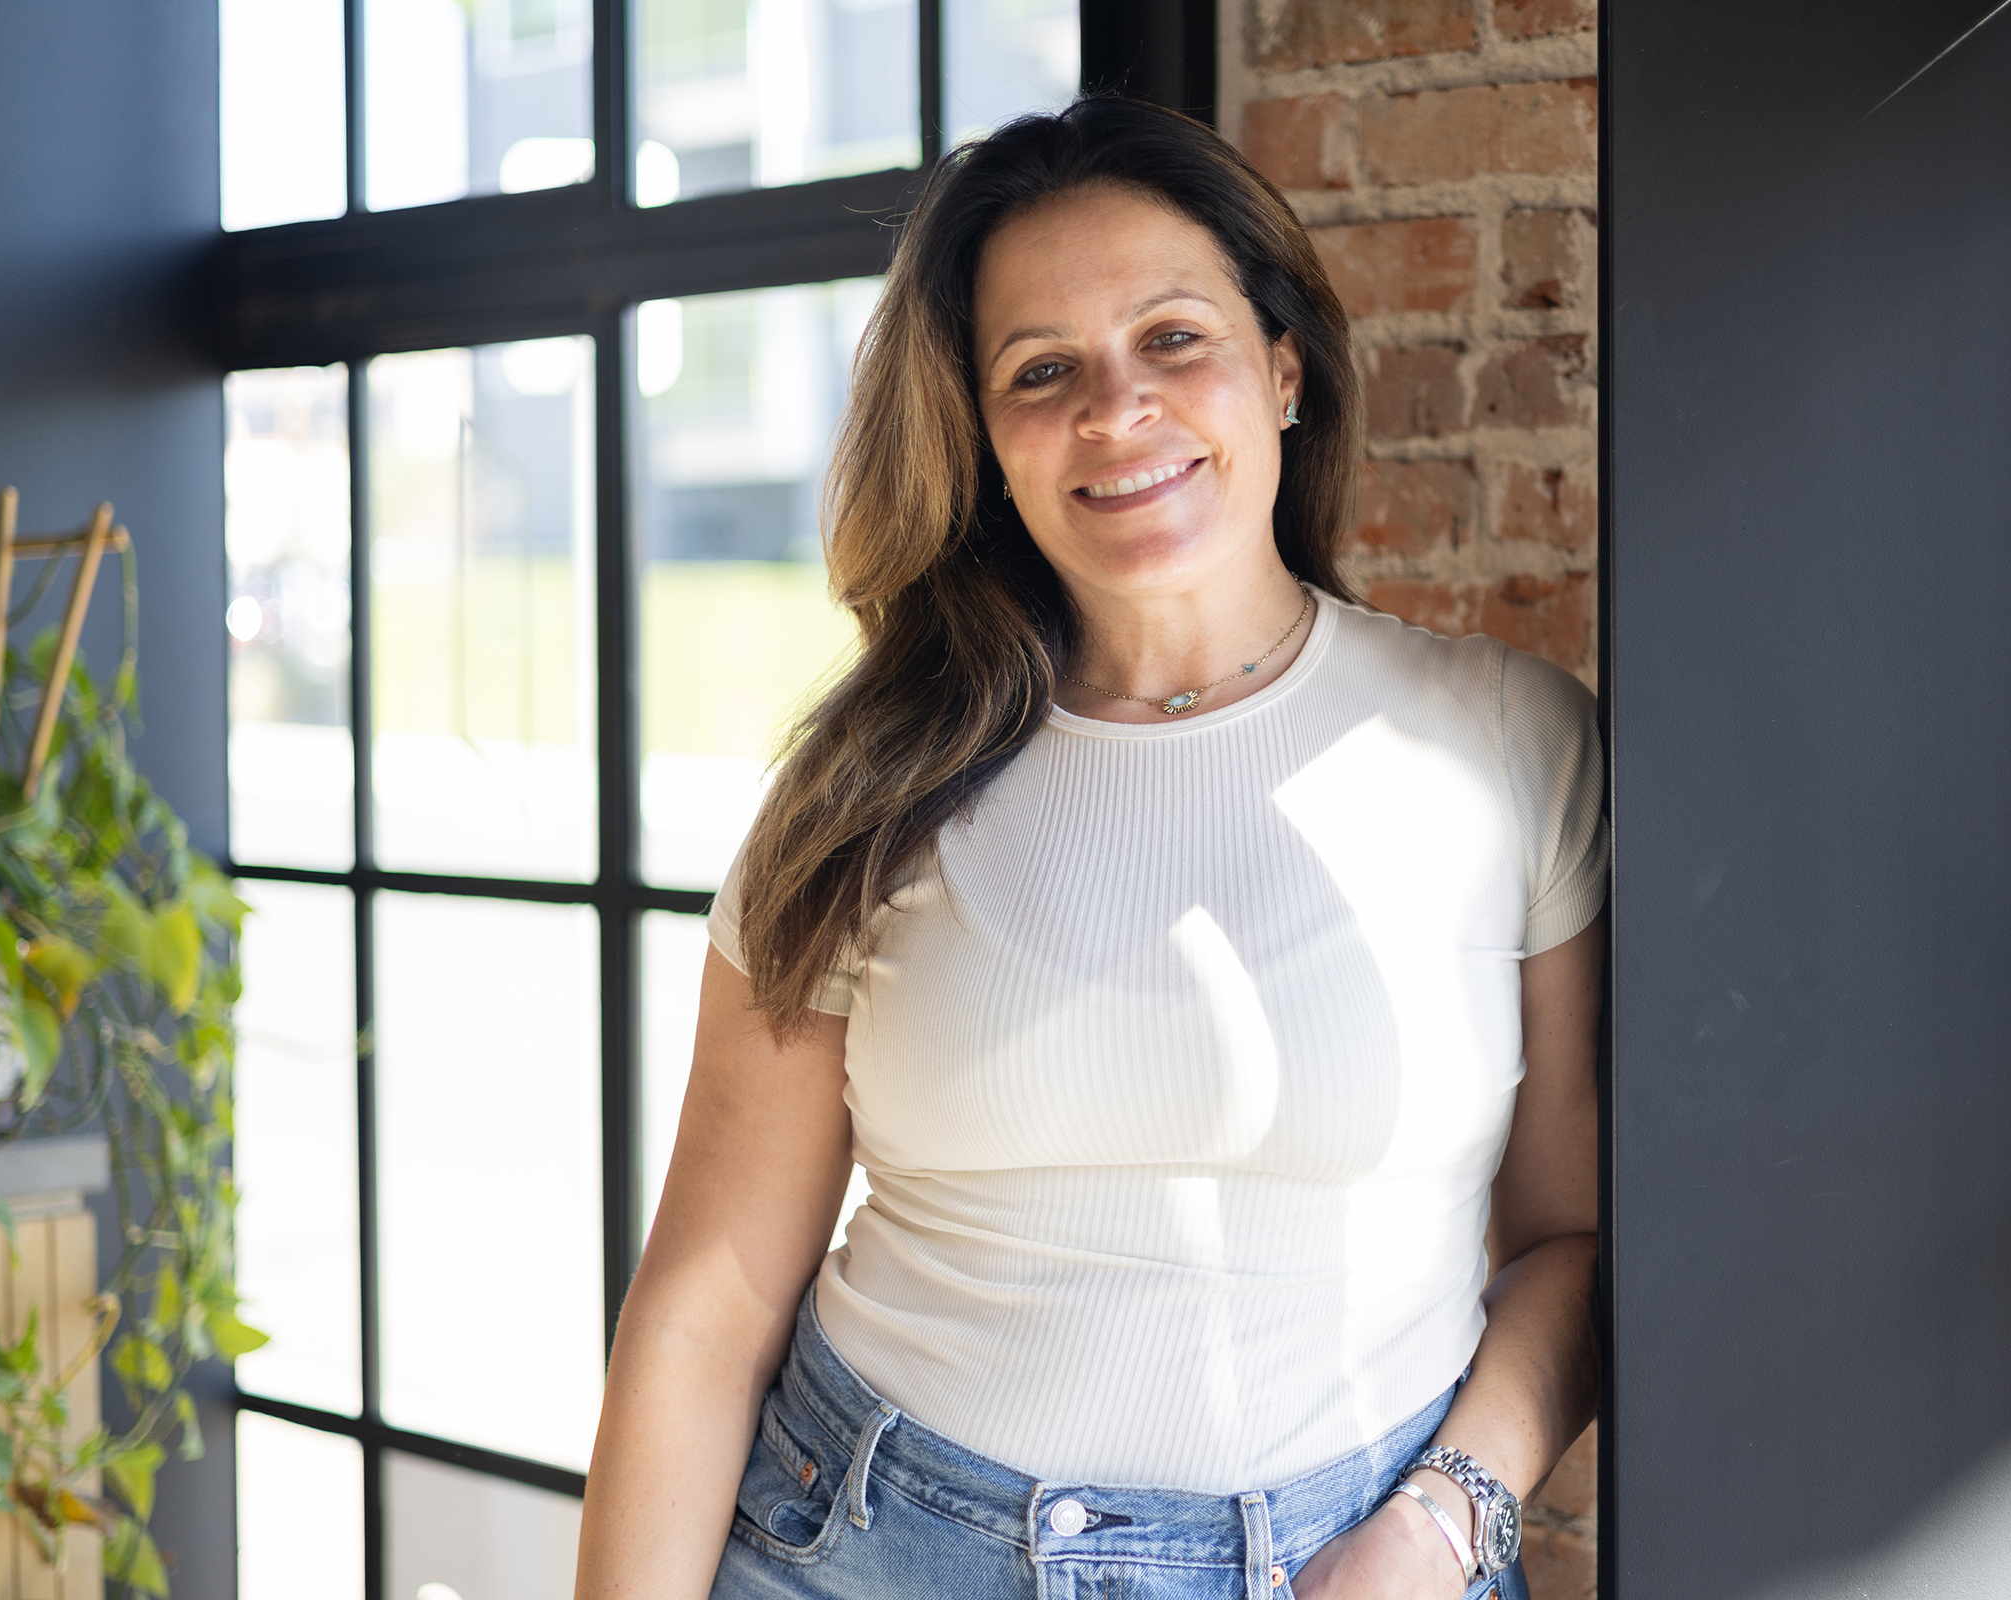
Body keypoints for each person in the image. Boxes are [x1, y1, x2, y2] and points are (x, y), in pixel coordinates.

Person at [574, 96, 1606, 1600]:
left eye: (1174, 339)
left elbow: (1571, 1244)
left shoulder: (1507, 740)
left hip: (1367, 1566)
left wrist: (1444, 1521)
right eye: (1042, 372)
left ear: (1285, 367)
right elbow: (705, 1308)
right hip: (874, 1548)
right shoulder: (865, 783)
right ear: (985, 443)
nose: (1116, 413)